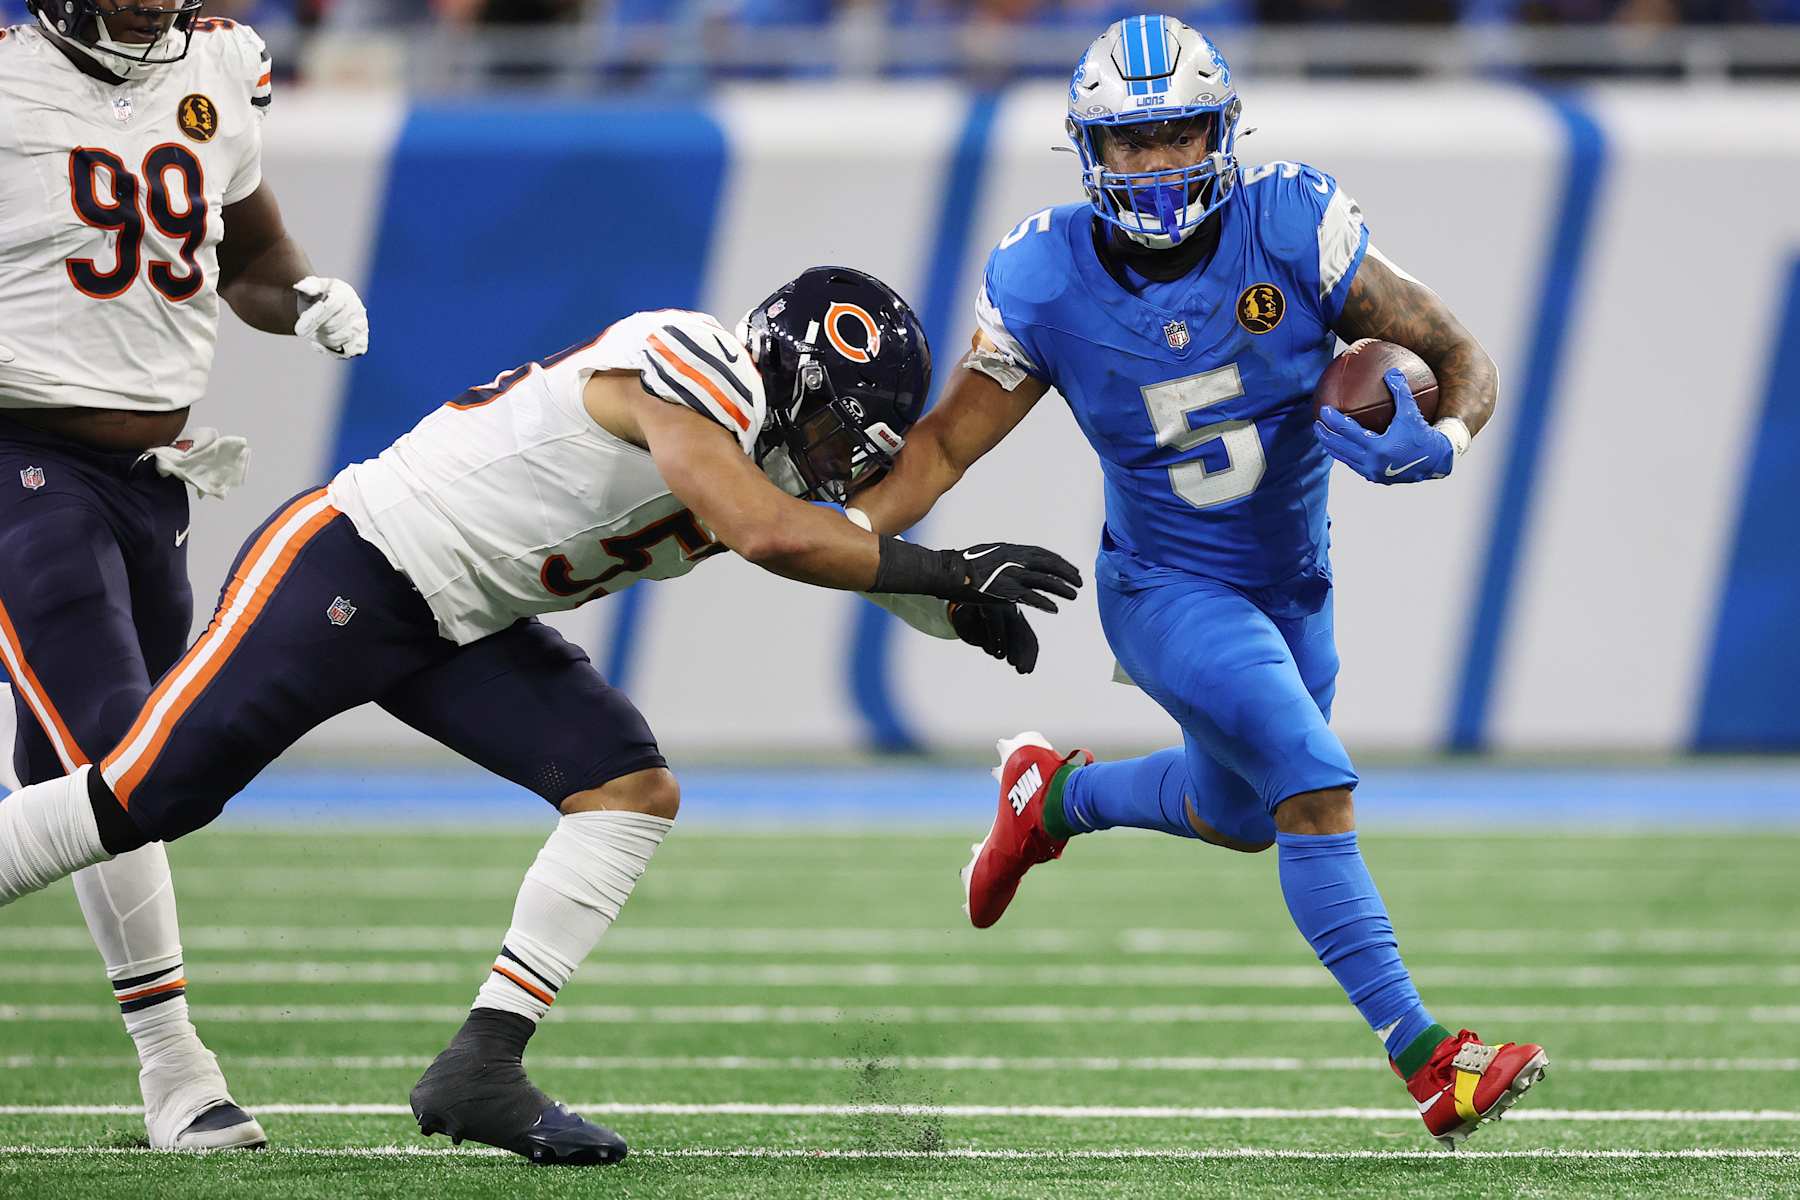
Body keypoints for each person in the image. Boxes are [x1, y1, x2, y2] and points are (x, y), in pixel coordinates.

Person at [0, 265, 1081, 1165]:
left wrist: (947, 610)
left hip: (461, 620)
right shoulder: (693, 363)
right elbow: (768, 534)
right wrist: (947, 568)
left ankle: (481, 1064)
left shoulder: (752, 445)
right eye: (844, 434)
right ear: (790, 378)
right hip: (357, 563)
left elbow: (810, 529)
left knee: (627, 784)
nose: (848, 464)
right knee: (144, 796)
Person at [849, 15, 1546, 1148]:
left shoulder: (1292, 225)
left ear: (1222, 131)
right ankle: (1434, 1064)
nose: (1158, 163)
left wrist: (1447, 441)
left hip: (1293, 587)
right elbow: (939, 449)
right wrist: (829, 530)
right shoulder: (1043, 274)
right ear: (1091, 152)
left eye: (1177, 135)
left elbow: (1462, 356)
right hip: (1166, 588)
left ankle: (1051, 798)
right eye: (1131, 143)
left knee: (1241, 815)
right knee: (1314, 788)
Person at [0, 0, 369, 1150]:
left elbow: (248, 255)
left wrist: (300, 296)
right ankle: (178, 1071)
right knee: (119, 754)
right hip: (17, 454)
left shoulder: (220, 64)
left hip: (154, 477)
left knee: (96, 778)